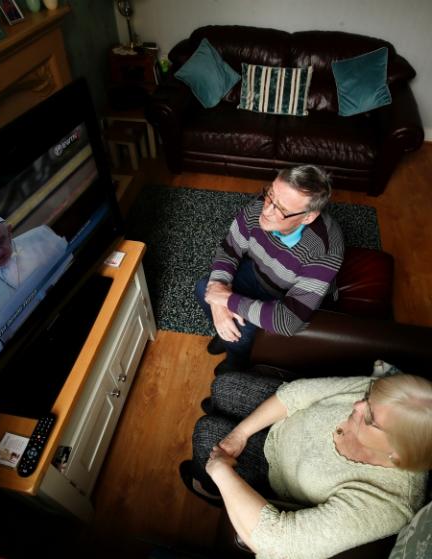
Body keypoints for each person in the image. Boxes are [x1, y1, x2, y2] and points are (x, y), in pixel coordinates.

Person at [180, 372, 432, 559]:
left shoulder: (386, 503)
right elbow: (298, 393)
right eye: (368, 396)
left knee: (206, 434)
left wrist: (221, 472)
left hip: (276, 471)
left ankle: (209, 488)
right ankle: (221, 416)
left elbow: (277, 542)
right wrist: (240, 433)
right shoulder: (384, 400)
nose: (357, 405)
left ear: (396, 454)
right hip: (288, 419)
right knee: (223, 385)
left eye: (369, 417)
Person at [195, 165, 344, 375]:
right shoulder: (261, 205)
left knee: (242, 325)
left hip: (288, 299)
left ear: (308, 217)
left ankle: (237, 360)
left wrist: (226, 300)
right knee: (203, 288)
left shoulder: (324, 249)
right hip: (259, 272)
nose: (266, 210)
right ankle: (227, 335)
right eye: (270, 195)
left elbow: (289, 321)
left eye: (281, 209)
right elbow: (229, 249)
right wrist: (219, 304)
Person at [0, 216, 70, 364]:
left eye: (2, 241)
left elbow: (68, 264)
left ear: (10, 232)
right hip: (29, 349)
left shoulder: (39, 239)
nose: (0, 251)